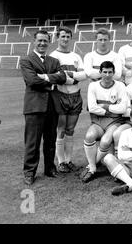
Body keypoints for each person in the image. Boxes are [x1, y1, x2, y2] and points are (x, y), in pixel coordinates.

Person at [20, 30, 67, 185]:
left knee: (50, 139)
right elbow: (32, 81)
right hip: (34, 106)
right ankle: (29, 172)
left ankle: (50, 168)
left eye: (45, 41)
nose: (42, 43)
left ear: (49, 42)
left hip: (52, 106)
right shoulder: (26, 60)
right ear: (34, 41)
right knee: (32, 141)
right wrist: (51, 82)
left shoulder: (53, 60)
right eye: (39, 40)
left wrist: (46, 77)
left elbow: (62, 77)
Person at [80, 61, 128, 183]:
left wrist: (104, 107)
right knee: (89, 136)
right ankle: (93, 167)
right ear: (100, 72)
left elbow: (122, 108)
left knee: (106, 140)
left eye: (110, 72)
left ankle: (91, 166)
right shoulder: (93, 86)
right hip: (98, 121)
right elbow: (92, 108)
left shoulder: (120, 86)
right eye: (105, 72)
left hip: (115, 121)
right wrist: (110, 110)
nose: (107, 75)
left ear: (114, 73)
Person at [50, 26, 87, 173]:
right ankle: (60, 162)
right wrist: (72, 78)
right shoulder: (53, 56)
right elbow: (55, 77)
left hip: (75, 96)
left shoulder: (76, 56)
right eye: (62, 36)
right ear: (57, 38)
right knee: (61, 129)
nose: (65, 39)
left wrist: (67, 75)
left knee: (71, 129)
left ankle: (69, 160)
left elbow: (83, 75)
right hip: (60, 96)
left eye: (67, 36)